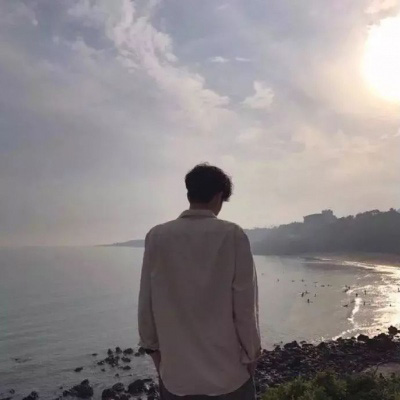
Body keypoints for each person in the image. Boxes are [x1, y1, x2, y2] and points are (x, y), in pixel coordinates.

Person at [138, 163, 261, 399]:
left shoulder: (157, 236)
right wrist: (252, 356)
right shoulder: (233, 235)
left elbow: (146, 304)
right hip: (229, 377)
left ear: (189, 194)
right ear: (219, 196)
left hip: (176, 379)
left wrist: (155, 354)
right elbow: (245, 309)